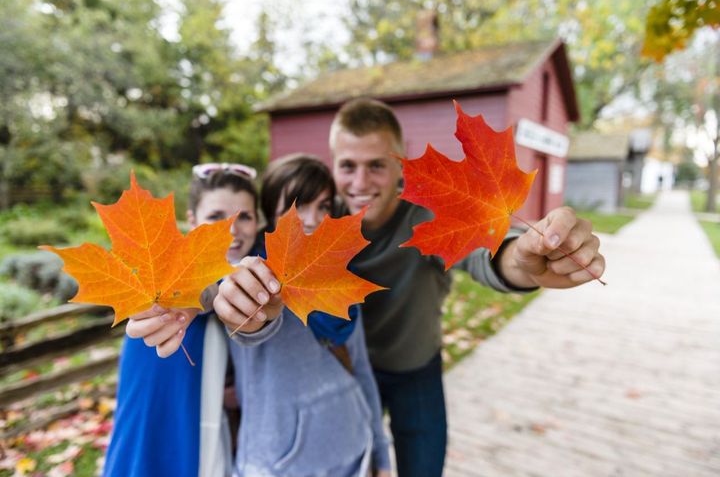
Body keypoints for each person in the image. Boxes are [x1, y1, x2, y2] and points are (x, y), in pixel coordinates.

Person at [322, 97, 606, 477]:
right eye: (347, 166)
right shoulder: (317, 224)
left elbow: (485, 254)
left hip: (415, 371)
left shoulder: (430, 210)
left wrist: (523, 259)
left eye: (376, 166)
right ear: (332, 165)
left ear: (399, 161)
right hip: (347, 376)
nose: (360, 182)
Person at [219, 153, 391, 476]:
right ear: (271, 213)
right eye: (298, 207)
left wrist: (381, 454)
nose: (313, 219)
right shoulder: (251, 278)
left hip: (356, 452)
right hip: (279, 465)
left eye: (324, 206)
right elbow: (248, 319)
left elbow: (361, 368)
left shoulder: (338, 280)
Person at [104, 163, 260, 477]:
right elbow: (204, 289)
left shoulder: (258, 272)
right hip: (160, 390)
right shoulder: (169, 270)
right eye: (217, 216)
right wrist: (200, 296)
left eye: (244, 216)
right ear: (192, 221)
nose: (232, 228)